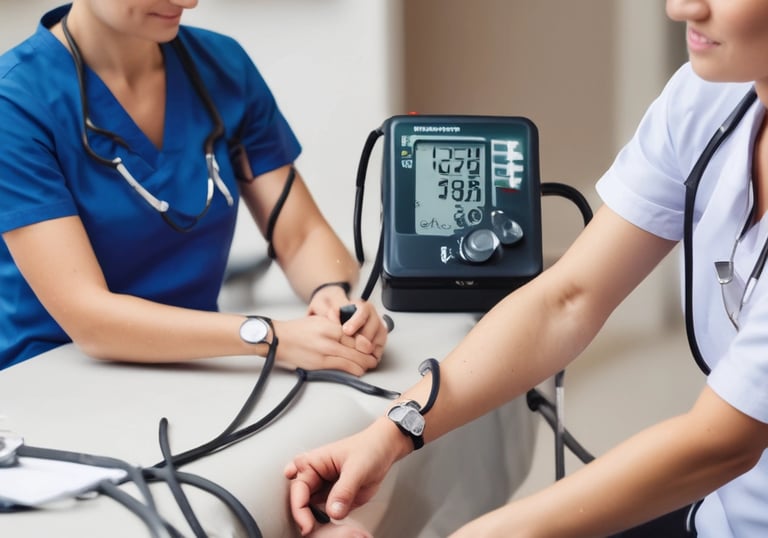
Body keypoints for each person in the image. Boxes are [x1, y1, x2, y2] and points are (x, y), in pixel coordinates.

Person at [285, 0, 768, 536]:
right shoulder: (707, 101)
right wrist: (393, 429)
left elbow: (721, 444)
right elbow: (567, 298)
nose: (680, 8)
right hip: (722, 514)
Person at [0, 1, 388, 373]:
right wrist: (268, 337)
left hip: (200, 368)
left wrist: (333, 298)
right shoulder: (16, 101)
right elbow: (88, 316)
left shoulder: (223, 67)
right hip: (51, 380)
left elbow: (301, 235)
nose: (189, 1)